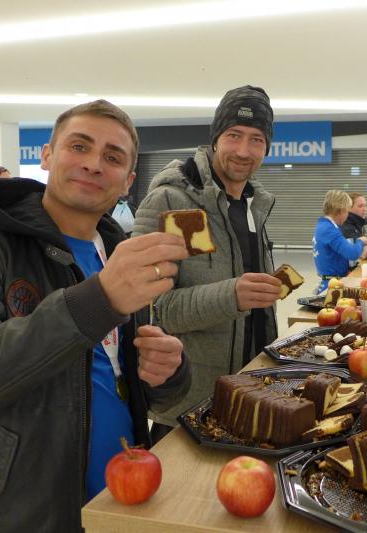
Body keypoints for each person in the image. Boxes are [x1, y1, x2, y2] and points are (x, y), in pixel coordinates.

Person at [0, 100, 191, 532]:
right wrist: (97, 300)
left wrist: (168, 372)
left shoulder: (122, 255)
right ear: (47, 155)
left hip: (119, 502)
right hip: (19, 513)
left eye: (113, 157)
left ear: (128, 181)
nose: (94, 163)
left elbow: (129, 384)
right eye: (79, 146)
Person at [133, 85, 282, 439]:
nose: (243, 151)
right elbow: (153, 310)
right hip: (188, 408)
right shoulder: (177, 203)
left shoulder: (252, 205)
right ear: (215, 139)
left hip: (247, 395)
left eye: (256, 139)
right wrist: (232, 295)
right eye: (234, 135)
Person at [313, 190, 367, 293]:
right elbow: (352, 254)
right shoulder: (330, 230)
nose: (347, 215)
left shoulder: (323, 225)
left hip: (330, 281)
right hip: (332, 286)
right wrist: (360, 241)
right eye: (347, 211)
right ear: (341, 210)